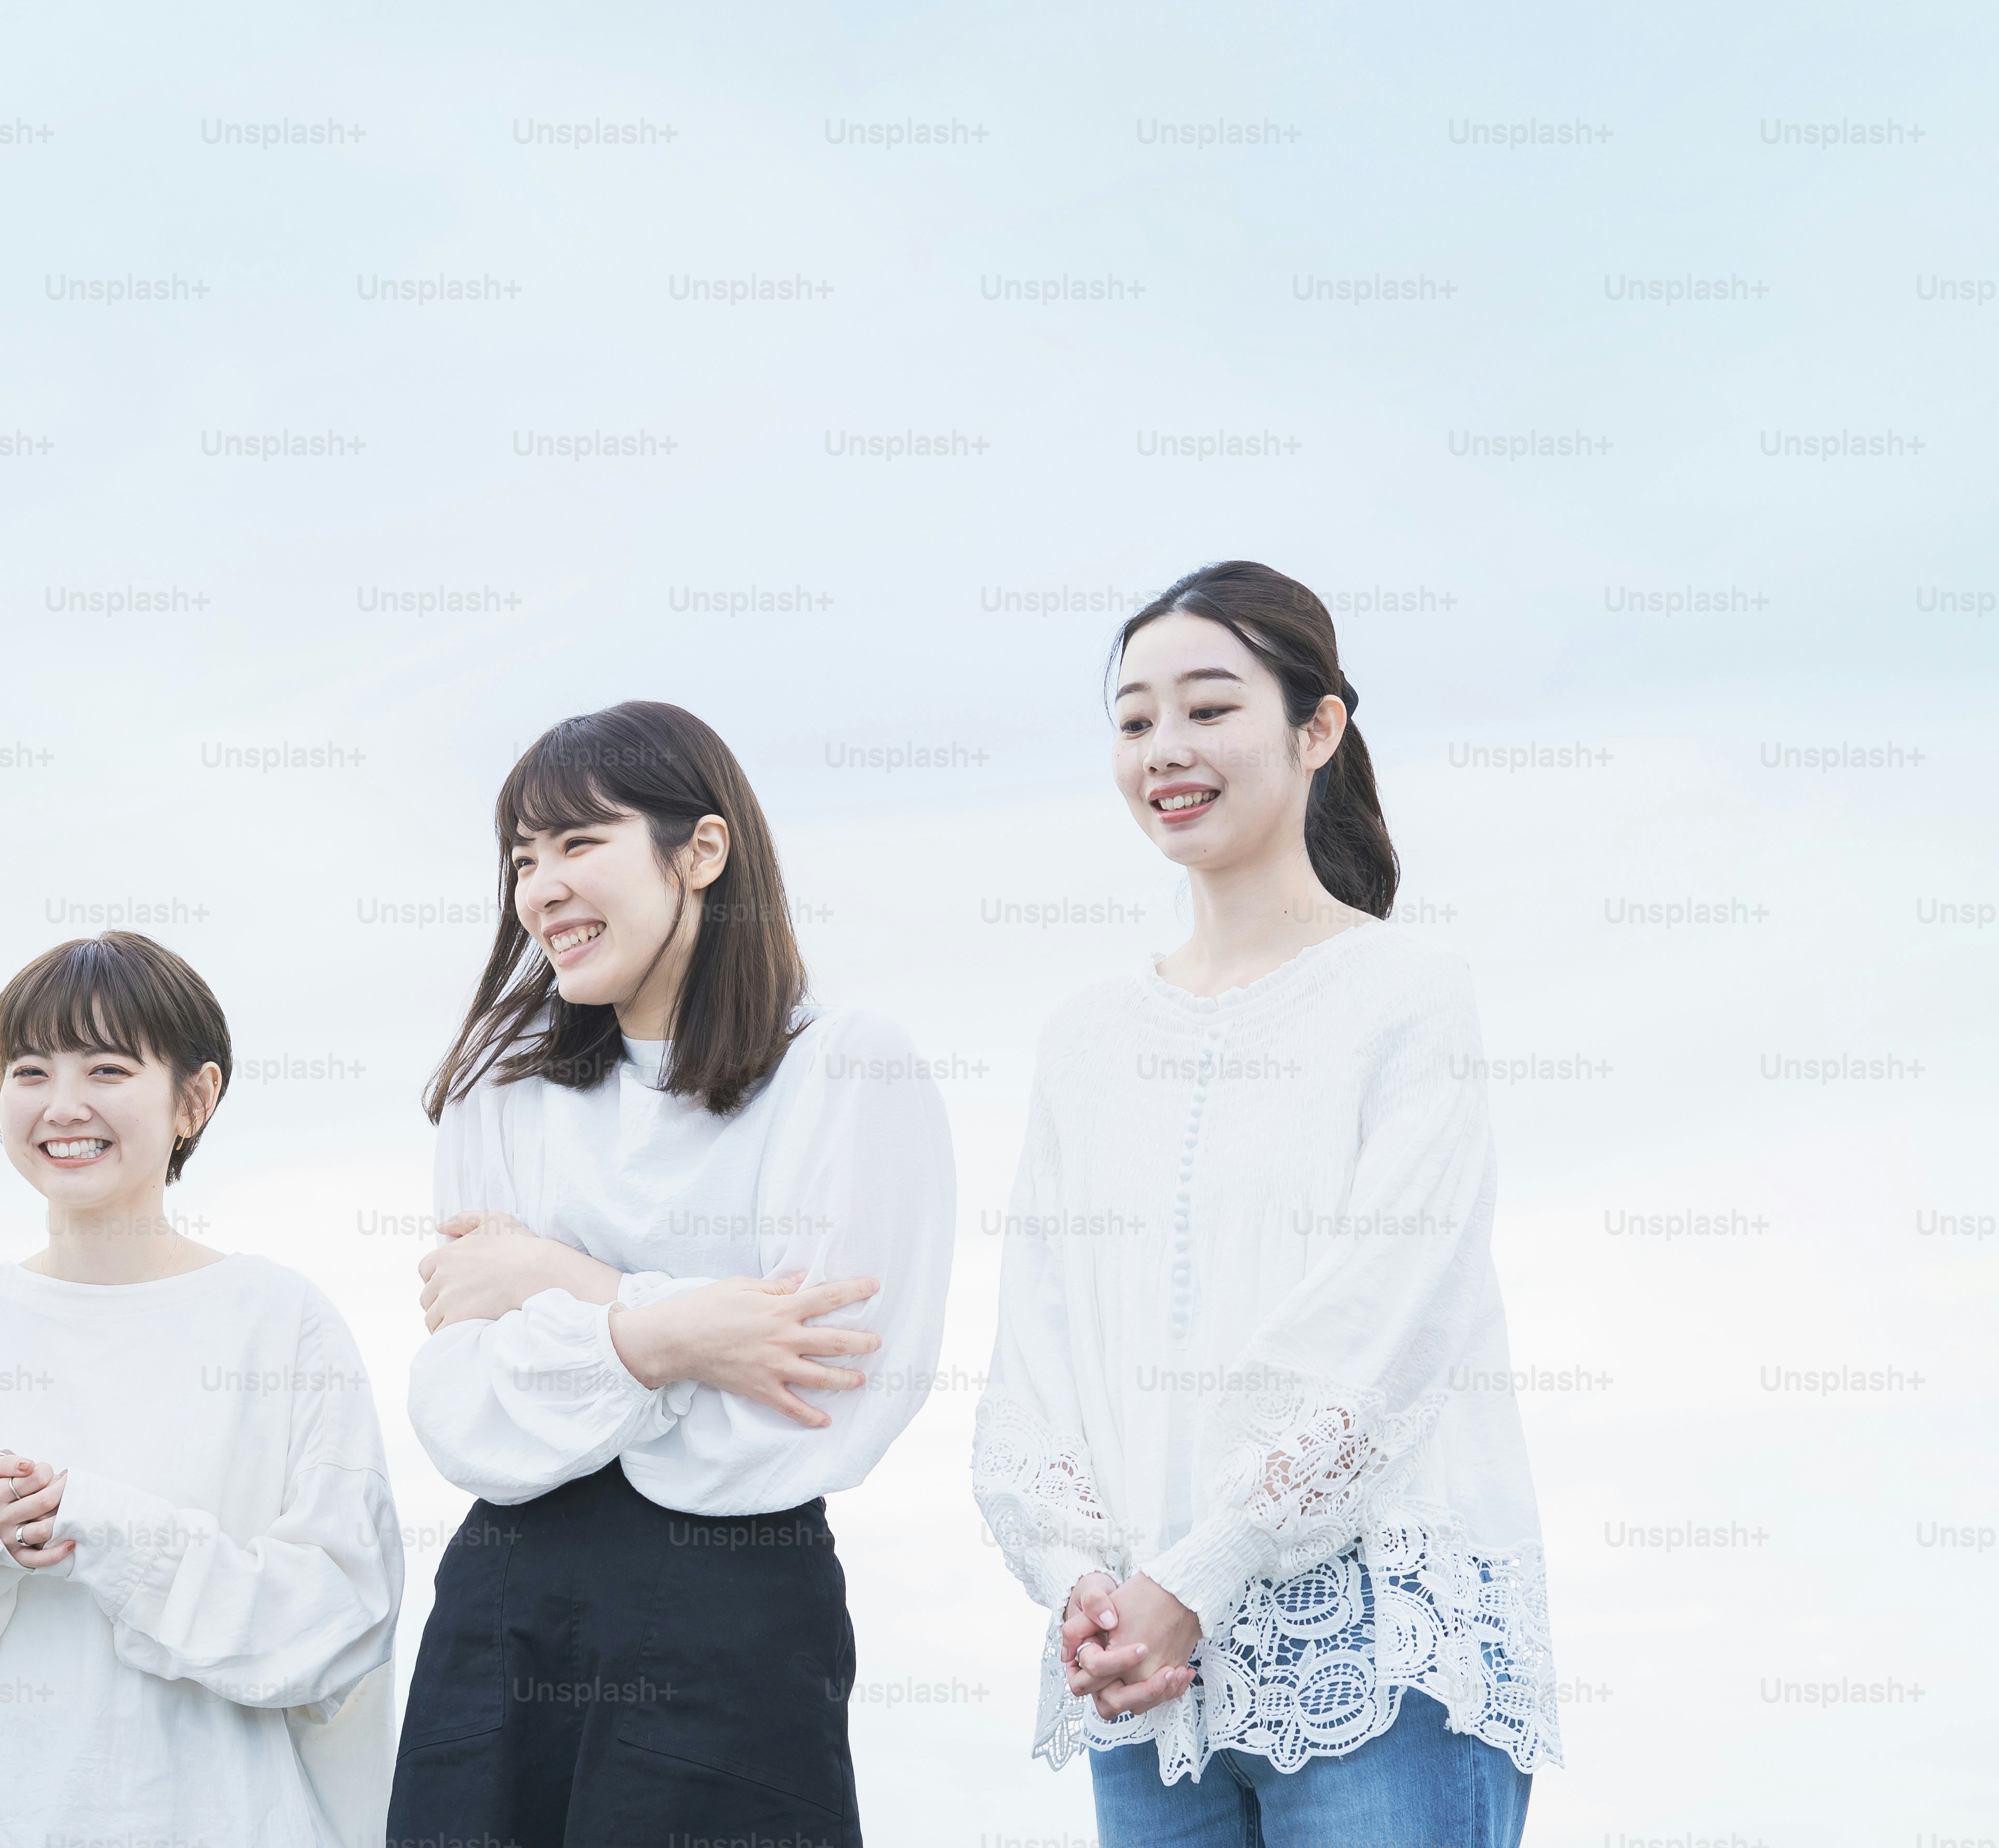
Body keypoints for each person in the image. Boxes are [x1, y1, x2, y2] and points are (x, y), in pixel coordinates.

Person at [970, 561, 1555, 1845]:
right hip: (1147, 1685)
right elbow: (1036, 1353)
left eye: (1209, 707)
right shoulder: (1085, 1037)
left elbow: (1395, 1328)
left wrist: (1203, 1570)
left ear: (1319, 727)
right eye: (1133, 721)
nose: (1165, 749)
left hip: (1376, 1657)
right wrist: (1085, 1583)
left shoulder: (1408, 991)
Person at [389, 699, 956, 1848]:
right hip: (507, 1602)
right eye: (521, 858)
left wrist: (563, 1286)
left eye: (578, 842)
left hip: (732, 1608)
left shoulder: (844, 1067)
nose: (541, 885)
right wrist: (678, 1333)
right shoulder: (502, 1080)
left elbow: (810, 1412)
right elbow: (462, 1411)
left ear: (701, 850)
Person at [0, 931, 403, 1847]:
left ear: (196, 1098)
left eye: (108, 1069)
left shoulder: (279, 1321)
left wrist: (116, 1534)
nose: (63, 1106)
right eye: (29, 1071)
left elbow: (343, 1620)